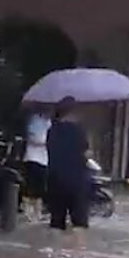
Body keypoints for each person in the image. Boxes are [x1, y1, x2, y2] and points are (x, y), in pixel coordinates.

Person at [45, 97, 91, 232]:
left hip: (55, 180)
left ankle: (53, 251)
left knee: (56, 222)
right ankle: (77, 252)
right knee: (79, 224)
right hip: (76, 181)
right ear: (73, 112)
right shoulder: (79, 132)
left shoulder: (51, 131)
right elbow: (86, 154)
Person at [23, 107, 50, 205]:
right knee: (30, 187)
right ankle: (28, 211)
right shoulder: (35, 120)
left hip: (44, 159)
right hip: (32, 157)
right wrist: (47, 142)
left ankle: (37, 212)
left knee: (41, 189)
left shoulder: (50, 122)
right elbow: (33, 138)